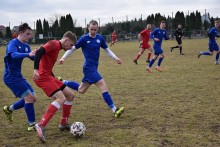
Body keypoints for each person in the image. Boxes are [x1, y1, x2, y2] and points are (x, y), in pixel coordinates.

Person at [59, 20, 124, 119]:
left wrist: (115, 58)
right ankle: (114, 109)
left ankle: (62, 82)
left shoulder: (100, 38)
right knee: (103, 86)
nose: (93, 31)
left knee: (81, 90)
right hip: (89, 68)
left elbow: (107, 50)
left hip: (93, 67)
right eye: (91, 29)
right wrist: (63, 57)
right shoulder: (84, 39)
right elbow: (72, 49)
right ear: (88, 28)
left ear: (97, 29)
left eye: (95, 29)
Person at [33, 31, 77, 143]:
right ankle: (41, 125)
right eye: (71, 45)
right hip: (42, 77)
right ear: (66, 40)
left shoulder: (57, 47)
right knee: (61, 98)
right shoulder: (54, 44)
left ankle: (63, 123)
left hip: (48, 76)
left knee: (70, 95)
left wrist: (54, 79)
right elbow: (39, 52)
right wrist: (36, 69)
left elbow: (46, 63)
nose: (71, 47)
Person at [3, 23, 37, 131]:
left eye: (30, 34)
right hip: (10, 77)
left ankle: (9, 109)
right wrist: (28, 55)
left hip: (18, 76)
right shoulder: (12, 43)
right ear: (21, 33)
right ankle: (31, 124)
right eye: (27, 34)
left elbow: (33, 58)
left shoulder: (26, 46)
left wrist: (42, 53)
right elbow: (13, 55)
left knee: (33, 98)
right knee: (29, 98)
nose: (29, 36)